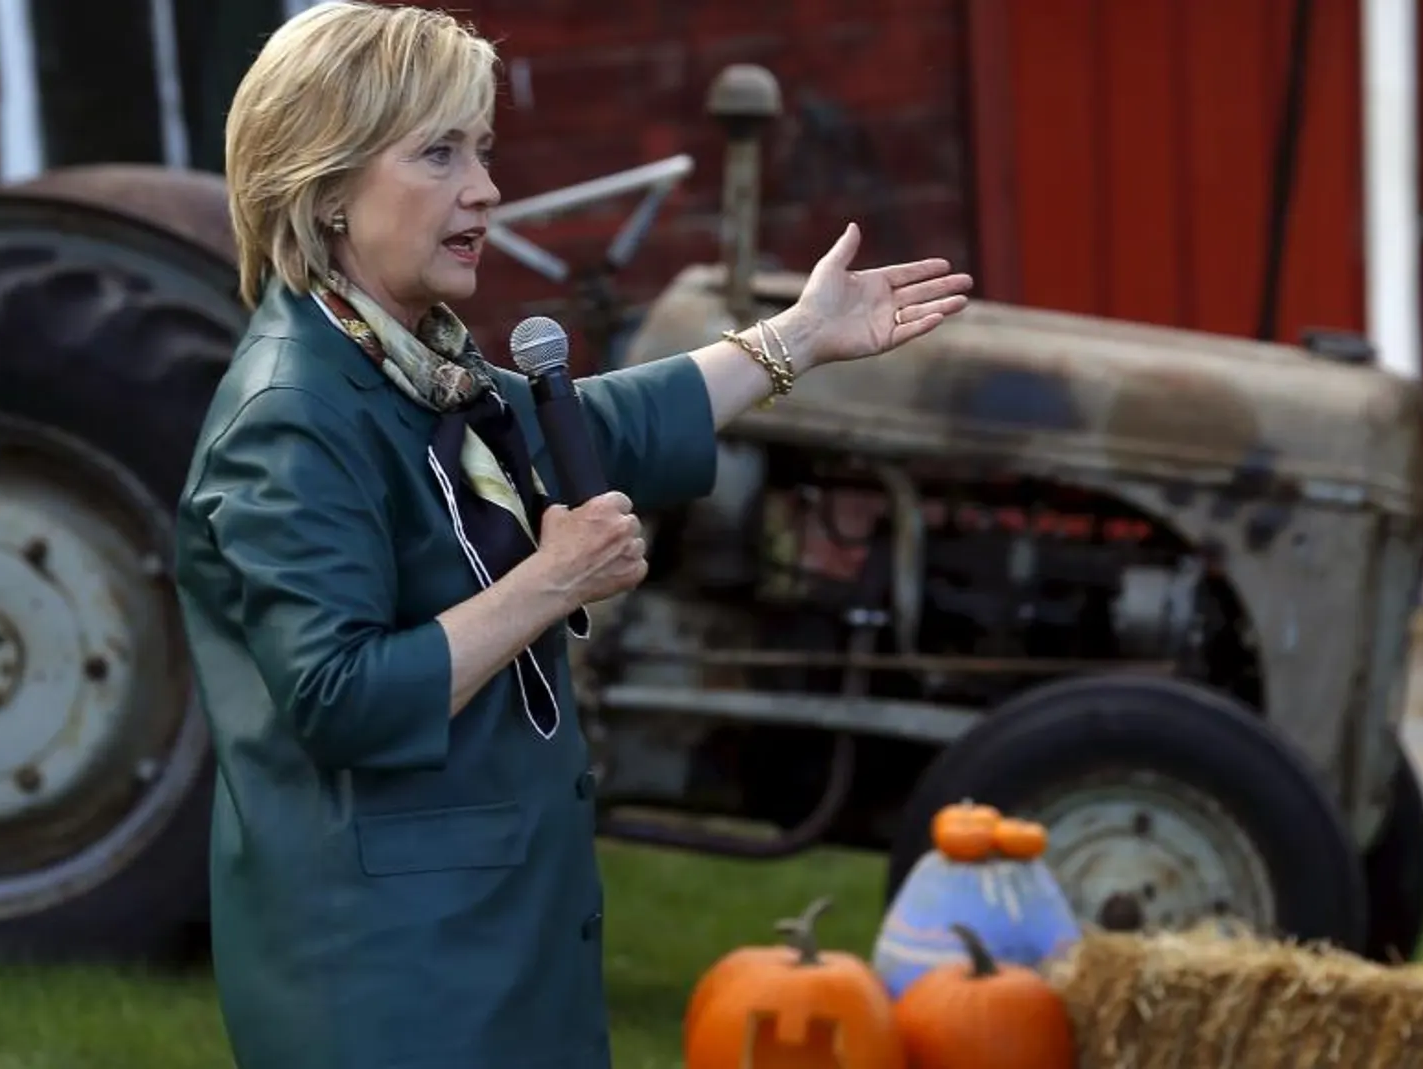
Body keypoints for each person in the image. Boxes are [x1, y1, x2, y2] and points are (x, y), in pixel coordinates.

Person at [171, 4, 973, 1067]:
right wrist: (553, 581)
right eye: (441, 152)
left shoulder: (405, 366)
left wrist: (795, 341)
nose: (486, 189)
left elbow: (592, 424)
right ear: (325, 192)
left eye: (484, 150)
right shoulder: (292, 413)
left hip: (473, 956)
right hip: (390, 990)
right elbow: (339, 697)